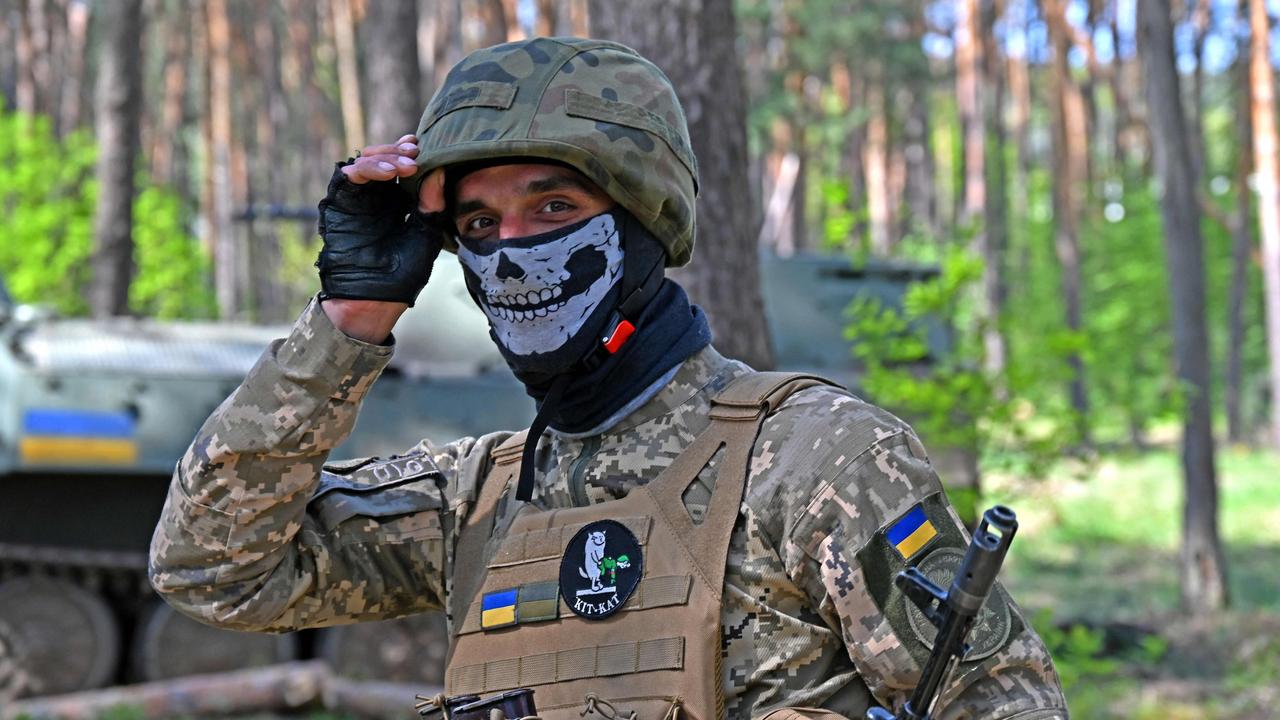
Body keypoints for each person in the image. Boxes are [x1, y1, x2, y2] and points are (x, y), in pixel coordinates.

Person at [150, 37, 1067, 719]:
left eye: (554, 206)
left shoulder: (815, 457)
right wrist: (348, 321)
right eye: (477, 226)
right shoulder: (476, 498)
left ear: (639, 221)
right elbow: (211, 570)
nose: (512, 252)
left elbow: (1002, 702)